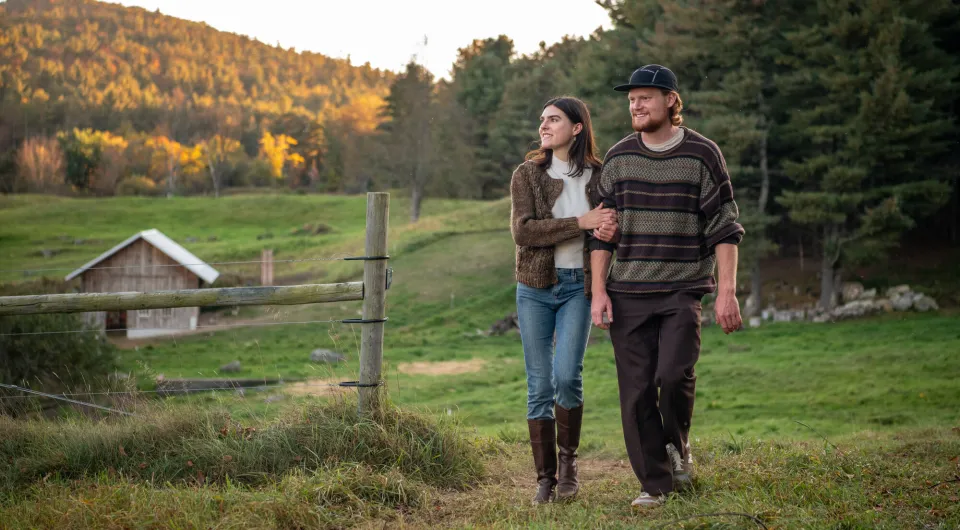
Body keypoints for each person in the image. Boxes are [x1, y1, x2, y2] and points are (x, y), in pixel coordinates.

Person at [587, 65, 745, 507]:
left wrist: (728, 291)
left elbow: (725, 227)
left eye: (646, 97)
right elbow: (601, 232)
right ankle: (655, 485)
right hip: (627, 291)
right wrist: (598, 291)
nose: (636, 105)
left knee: (674, 376)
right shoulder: (618, 158)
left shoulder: (702, 154)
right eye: (632, 98)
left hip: (681, 289)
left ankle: (677, 448)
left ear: (672, 101)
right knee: (636, 391)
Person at [509, 96, 616, 505]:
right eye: (541, 120)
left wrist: (604, 227)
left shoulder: (600, 176)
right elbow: (524, 232)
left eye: (553, 119)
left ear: (576, 127)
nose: (543, 126)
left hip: (578, 287)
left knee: (568, 376)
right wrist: (581, 223)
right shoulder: (528, 174)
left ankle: (569, 463)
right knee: (539, 385)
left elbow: (608, 228)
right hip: (534, 288)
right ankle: (545, 479)